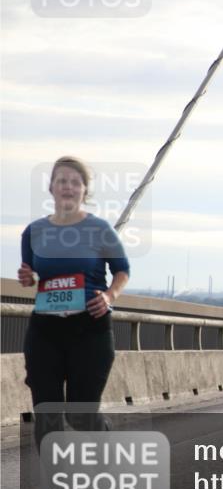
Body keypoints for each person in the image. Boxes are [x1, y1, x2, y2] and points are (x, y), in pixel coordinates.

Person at [19, 156, 130, 448]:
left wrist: (109, 296)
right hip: (45, 329)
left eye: (74, 182)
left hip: (89, 327)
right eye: (61, 181)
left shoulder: (100, 229)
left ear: (84, 190)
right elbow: (30, 273)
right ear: (51, 188)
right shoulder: (33, 232)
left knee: (81, 415)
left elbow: (122, 271)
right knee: (48, 416)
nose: (68, 187)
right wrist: (27, 276)